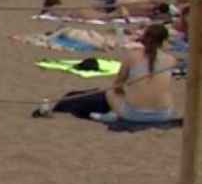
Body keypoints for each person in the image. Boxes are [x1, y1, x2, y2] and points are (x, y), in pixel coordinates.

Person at [35, 24, 178, 123]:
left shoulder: (132, 56)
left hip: (134, 114)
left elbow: (117, 85)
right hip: (164, 114)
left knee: (110, 93)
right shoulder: (171, 60)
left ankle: (110, 114)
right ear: (164, 41)